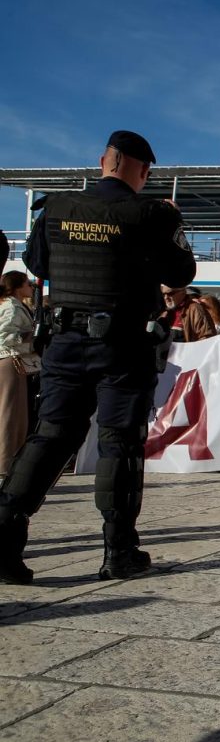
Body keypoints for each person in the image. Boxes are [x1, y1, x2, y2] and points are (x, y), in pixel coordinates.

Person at [0, 130, 196, 584]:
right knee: (119, 442)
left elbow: (39, 264)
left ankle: (5, 537)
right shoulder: (149, 212)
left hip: (64, 342)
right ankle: (118, 551)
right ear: (142, 169)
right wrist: (171, 224)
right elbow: (180, 271)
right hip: (122, 345)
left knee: (51, 436)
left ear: (103, 160)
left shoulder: (56, 209)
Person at [0, 272, 40, 476]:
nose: (31, 287)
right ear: (18, 287)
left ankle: (9, 463)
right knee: (9, 416)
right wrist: (32, 334)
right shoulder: (11, 307)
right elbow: (5, 335)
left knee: (15, 416)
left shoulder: (14, 305)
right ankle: (5, 466)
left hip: (14, 361)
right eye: (28, 284)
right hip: (10, 361)